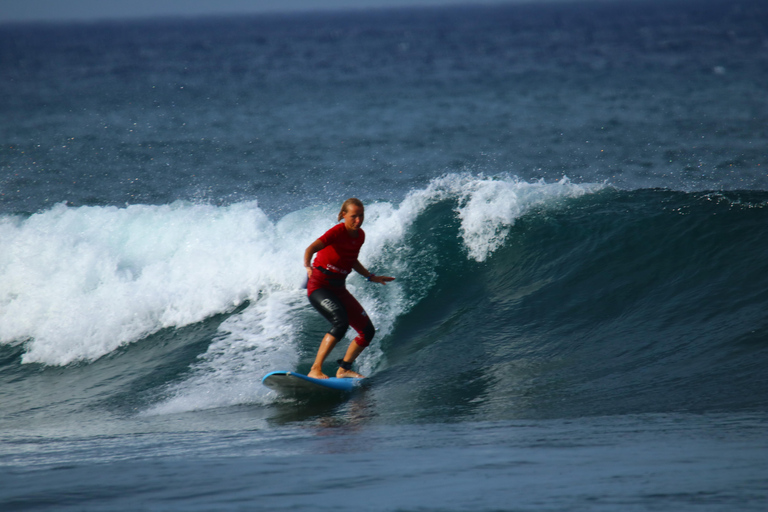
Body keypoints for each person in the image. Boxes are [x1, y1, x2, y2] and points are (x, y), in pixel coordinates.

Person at [303, 198, 395, 379]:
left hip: (339, 288)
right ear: (344, 215)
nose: (358, 220)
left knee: (367, 331)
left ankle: (344, 368)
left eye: (361, 216)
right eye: (354, 216)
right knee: (341, 323)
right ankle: (315, 370)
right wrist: (307, 266)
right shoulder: (337, 232)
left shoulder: (360, 235)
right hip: (320, 286)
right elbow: (311, 248)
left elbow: (351, 259)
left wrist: (370, 276)